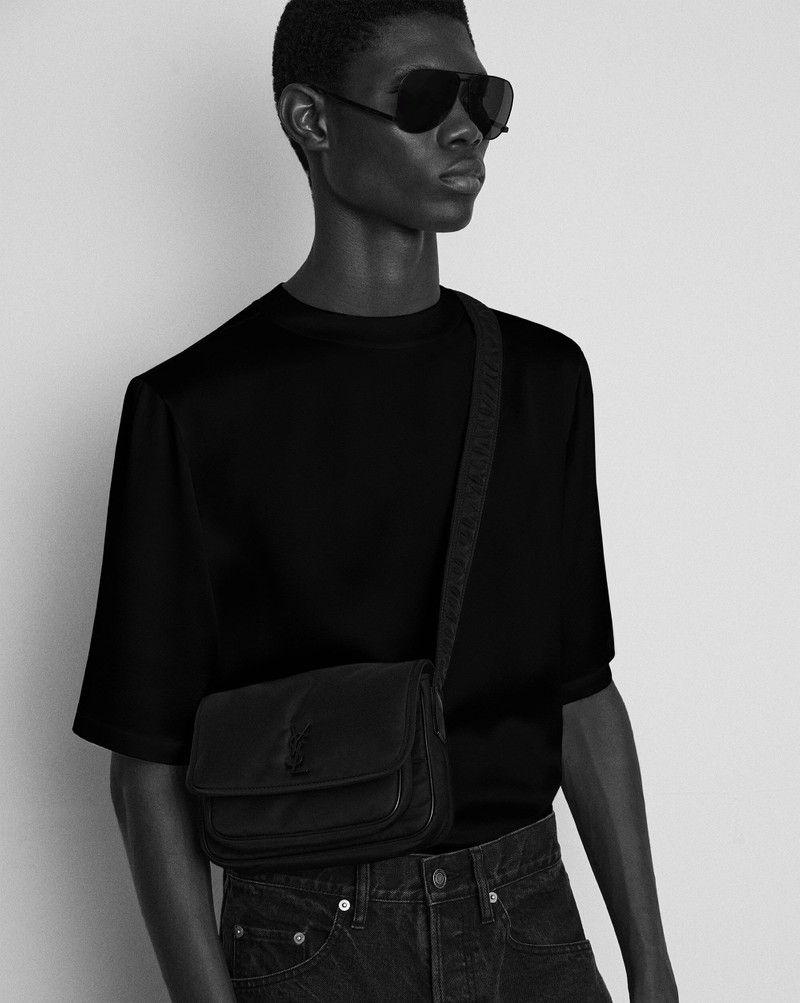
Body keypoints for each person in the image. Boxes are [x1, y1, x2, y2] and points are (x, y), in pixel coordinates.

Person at [72, 1, 679, 1000]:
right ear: (311, 120)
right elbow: (145, 767)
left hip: (527, 921)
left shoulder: (541, 378)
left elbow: (577, 687)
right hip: (312, 937)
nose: (467, 129)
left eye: (484, 98)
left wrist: (651, 964)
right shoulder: (193, 408)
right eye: (427, 96)